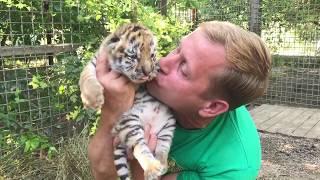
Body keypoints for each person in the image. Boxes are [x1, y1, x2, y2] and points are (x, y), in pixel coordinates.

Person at [88, 21, 271, 180]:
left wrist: (141, 161)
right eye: (177, 49)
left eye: (183, 69)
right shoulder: (160, 85)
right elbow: (104, 171)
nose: (163, 62)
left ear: (212, 107)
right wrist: (112, 112)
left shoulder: (231, 170)